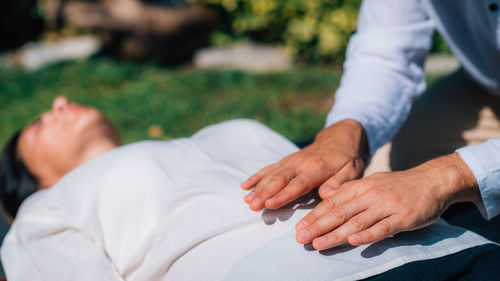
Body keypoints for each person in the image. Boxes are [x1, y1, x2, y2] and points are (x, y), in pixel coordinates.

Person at [1, 96, 495, 280]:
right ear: (35, 181)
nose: (60, 101)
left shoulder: (212, 134)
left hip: (440, 244)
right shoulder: (43, 211)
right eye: (40, 124)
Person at [241, 0, 500, 251]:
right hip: (487, 82)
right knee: (395, 164)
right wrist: (346, 131)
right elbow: (385, 51)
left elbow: (445, 177)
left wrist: (446, 178)